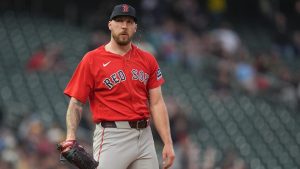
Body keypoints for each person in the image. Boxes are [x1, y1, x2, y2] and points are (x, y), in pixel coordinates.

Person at [62, 4, 175, 169]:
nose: (124, 26)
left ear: (135, 27)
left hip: (145, 136)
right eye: (119, 21)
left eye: (129, 22)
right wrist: (71, 136)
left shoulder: (148, 59)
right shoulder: (92, 59)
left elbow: (157, 103)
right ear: (110, 25)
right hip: (112, 136)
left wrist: (168, 142)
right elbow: (76, 102)